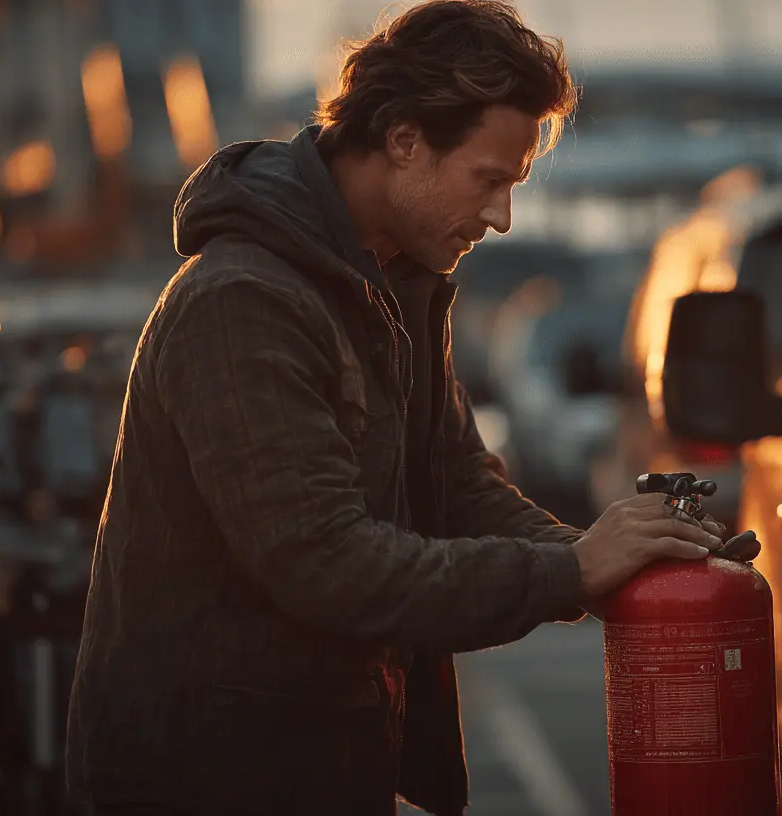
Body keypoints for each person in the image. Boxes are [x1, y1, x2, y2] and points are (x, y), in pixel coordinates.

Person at [64, 2, 724, 814]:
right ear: (405, 139)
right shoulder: (242, 301)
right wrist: (570, 572)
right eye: (489, 181)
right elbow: (325, 564)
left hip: (321, 759)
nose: (501, 219)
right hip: (202, 778)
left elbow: (455, 483)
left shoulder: (395, 284)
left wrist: (606, 557)